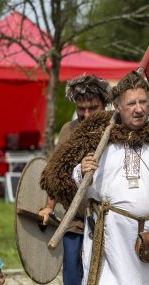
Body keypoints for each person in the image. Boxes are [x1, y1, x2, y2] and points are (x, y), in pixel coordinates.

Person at [40, 71, 149, 285]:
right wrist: (81, 171)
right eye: (131, 104)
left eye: (143, 102)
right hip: (113, 241)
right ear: (117, 107)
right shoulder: (100, 139)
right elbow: (79, 185)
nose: (139, 108)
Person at [38, 75, 111, 285]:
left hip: (108, 217)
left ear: (104, 104)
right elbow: (55, 173)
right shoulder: (68, 130)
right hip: (75, 217)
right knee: (72, 271)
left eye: (92, 108)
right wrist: (48, 207)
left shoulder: (116, 129)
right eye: (81, 109)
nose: (86, 114)